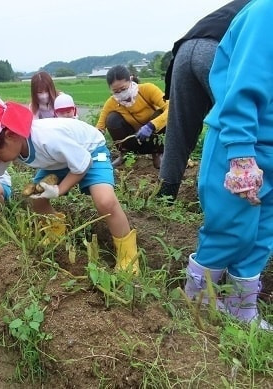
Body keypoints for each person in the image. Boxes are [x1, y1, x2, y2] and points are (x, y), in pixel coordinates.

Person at [0, 100, 140, 275]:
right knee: (36, 197)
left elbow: (83, 163)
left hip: (90, 151)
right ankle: (56, 230)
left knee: (105, 202)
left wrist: (59, 190)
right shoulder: (11, 145)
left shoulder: (47, 138)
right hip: (57, 160)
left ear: (11, 135)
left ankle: (128, 256)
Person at [183, 0, 272, 330]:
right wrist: (241, 156)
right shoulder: (267, 13)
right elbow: (242, 89)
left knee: (262, 235)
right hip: (243, 146)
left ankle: (241, 308)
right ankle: (197, 300)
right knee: (231, 229)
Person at [158, 0, 250, 201]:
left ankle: (166, 193)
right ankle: (213, 190)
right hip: (218, 51)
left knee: (179, 128)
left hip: (186, 49)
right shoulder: (264, 9)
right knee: (235, 121)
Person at [96, 65, 168, 169]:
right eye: (116, 91)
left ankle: (158, 153)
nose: (121, 93)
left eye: (123, 88)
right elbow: (100, 127)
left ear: (130, 79)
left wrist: (152, 125)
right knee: (112, 119)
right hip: (134, 139)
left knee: (161, 113)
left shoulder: (147, 89)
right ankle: (124, 154)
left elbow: (171, 108)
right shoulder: (112, 103)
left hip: (153, 137)